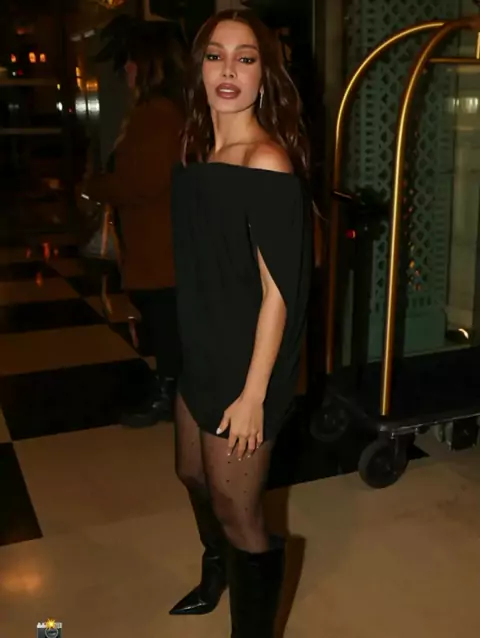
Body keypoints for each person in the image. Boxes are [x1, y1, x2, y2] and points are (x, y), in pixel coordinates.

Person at [169, 9, 312, 636]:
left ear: (264, 75)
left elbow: (279, 290)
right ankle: (217, 568)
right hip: (201, 345)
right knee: (191, 472)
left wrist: (254, 395)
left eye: (245, 58)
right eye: (215, 55)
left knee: (238, 507)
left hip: (247, 359)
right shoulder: (196, 150)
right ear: (199, 69)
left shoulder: (266, 161)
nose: (228, 70)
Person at [84, 27, 186, 426]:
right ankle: (170, 391)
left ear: (150, 65)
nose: (126, 67)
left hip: (158, 243)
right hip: (160, 240)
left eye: (131, 60)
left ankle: (168, 393)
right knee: (165, 320)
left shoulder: (156, 115)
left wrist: (95, 187)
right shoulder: (165, 111)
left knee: (165, 322)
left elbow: (142, 181)